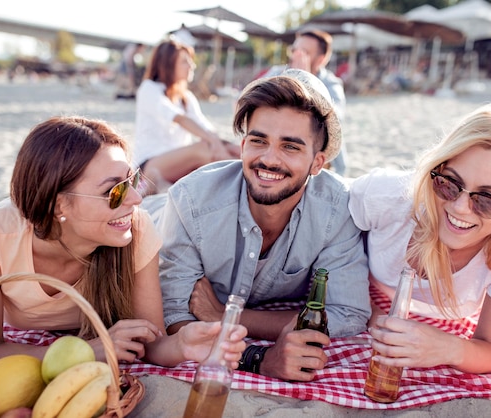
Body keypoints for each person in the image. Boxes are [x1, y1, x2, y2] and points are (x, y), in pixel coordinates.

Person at [0, 116, 246, 368]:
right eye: (115, 191)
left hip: (164, 219)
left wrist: (181, 345)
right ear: (59, 206)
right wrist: (84, 351)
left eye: (132, 181)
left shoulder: (136, 229)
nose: (134, 198)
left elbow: (154, 343)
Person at [157, 69, 371, 382]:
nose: (269, 160)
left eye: (291, 147)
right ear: (243, 147)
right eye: (259, 141)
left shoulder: (337, 208)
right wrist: (257, 357)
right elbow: (175, 316)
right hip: (152, 217)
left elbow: (349, 314)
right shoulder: (190, 200)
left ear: (317, 163)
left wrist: (227, 317)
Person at [348, 102, 491, 377]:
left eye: (487, 200)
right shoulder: (389, 197)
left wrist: (447, 348)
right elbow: (321, 225)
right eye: (449, 183)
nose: (459, 208)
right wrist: (360, 306)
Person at [134, 38, 239, 195]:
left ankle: (244, 173)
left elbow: (204, 126)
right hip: (149, 166)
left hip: (180, 162)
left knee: (233, 148)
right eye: (184, 61)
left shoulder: (186, 97)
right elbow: (180, 119)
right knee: (204, 149)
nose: (192, 65)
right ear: (168, 65)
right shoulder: (149, 89)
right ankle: (240, 181)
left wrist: (218, 142)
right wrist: (213, 142)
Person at [263, 29, 348, 176]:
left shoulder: (331, 83)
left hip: (316, 157)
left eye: (303, 52)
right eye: (294, 50)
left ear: (321, 60)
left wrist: (305, 81)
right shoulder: (278, 73)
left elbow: (334, 120)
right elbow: (244, 101)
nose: (296, 56)